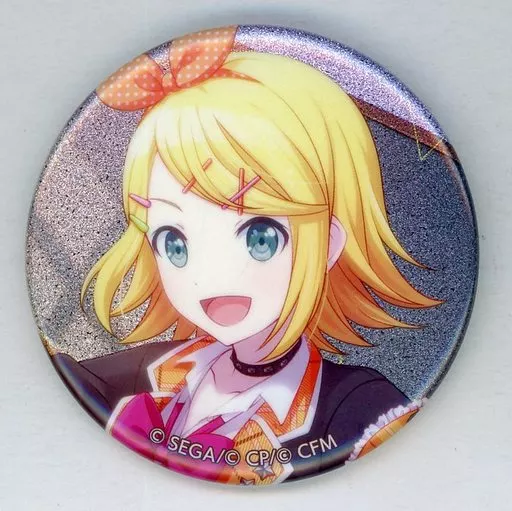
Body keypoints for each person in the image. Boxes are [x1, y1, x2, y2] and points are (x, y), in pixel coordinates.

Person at [53, 26, 439, 485]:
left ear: (328, 243)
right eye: (174, 243)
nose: (214, 275)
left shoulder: (355, 408)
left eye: (260, 237)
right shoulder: (154, 369)